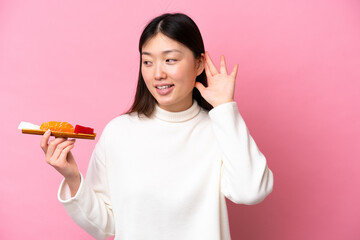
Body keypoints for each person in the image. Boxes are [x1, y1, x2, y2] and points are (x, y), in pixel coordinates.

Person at [40, 13, 274, 240]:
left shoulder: (220, 129)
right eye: (148, 62)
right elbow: (105, 226)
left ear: (199, 64)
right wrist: (72, 178)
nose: (158, 74)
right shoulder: (119, 132)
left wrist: (225, 109)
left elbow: (251, 191)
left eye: (170, 60)